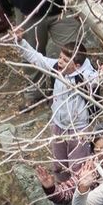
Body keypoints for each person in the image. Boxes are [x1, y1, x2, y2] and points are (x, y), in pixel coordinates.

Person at [11, 31, 97, 178]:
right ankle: (61, 192)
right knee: (59, 164)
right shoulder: (57, 68)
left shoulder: (86, 77)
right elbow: (37, 58)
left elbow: (96, 80)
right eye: (60, 57)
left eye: (65, 59)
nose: (60, 61)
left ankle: (79, 195)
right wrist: (20, 42)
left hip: (79, 130)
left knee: (78, 167)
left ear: (76, 66)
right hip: (58, 125)